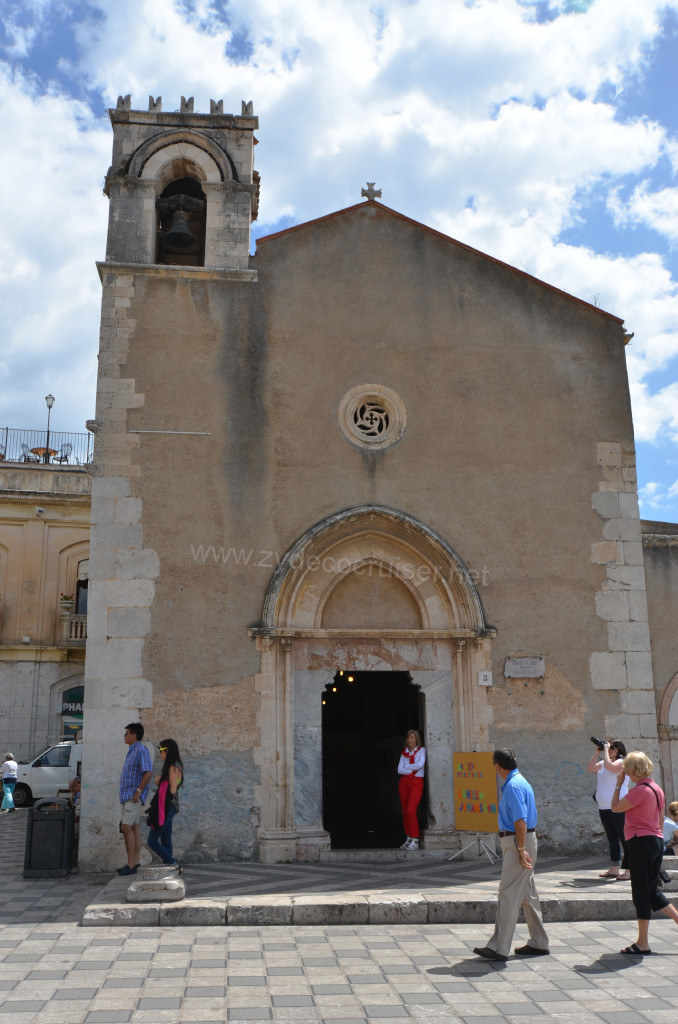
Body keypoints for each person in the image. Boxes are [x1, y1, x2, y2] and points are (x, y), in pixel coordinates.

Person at [473, 748, 549, 962]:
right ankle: (539, 942)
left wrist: (520, 848)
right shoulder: (520, 781)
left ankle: (499, 946)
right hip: (522, 840)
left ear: (497, 766)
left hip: (517, 840)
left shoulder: (513, 786)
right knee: (527, 894)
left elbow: (520, 820)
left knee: (507, 893)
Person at [611, 750, 678, 954]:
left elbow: (614, 808)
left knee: (641, 892)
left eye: (627, 771)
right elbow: (659, 819)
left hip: (641, 842)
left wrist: (618, 785)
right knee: (651, 890)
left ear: (632, 770)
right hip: (655, 840)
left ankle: (642, 943)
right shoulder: (656, 788)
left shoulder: (639, 791)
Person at [586, 738, 629, 879]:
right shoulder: (605, 763)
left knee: (624, 838)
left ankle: (629, 870)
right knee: (612, 838)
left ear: (619, 751)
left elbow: (611, 767)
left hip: (618, 807)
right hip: (604, 807)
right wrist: (596, 753)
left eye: (611, 748)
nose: (608, 750)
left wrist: (605, 751)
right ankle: (615, 868)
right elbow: (591, 768)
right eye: (608, 748)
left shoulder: (621, 762)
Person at [118, 723, 153, 876]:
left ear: (135, 735)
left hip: (133, 796)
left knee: (125, 827)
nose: (125, 736)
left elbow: (148, 772)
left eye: (127, 733)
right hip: (127, 796)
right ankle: (136, 862)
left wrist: (139, 791)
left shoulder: (141, 750)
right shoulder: (131, 751)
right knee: (134, 827)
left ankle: (130, 864)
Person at [146, 738, 183, 867]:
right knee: (166, 839)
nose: (159, 753)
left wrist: (160, 781)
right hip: (170, 806)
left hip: (166, 806)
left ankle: (173, 864)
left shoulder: (173, 767)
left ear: (166, 750)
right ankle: (169, 869)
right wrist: (159, 782)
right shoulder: (176, 764)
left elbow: (172, 789)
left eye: (160, 750)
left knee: (151, 841)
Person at [398, 729, 426, 850]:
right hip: (404, 782)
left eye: (412, 738)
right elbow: (399, 769)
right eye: (408, 738)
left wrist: (407, 767)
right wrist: (410, 769)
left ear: (417, 740)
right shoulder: (404, 753)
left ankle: (415, 838)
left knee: (410, 810)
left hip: (416, 783)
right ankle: (408, 837)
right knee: (404, 812)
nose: (410, 740)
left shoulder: (421, 751)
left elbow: (420, 764)